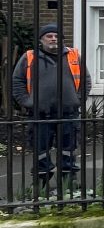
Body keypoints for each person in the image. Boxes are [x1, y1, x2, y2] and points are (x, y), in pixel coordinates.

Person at [10, 23, 90, 196]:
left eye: (56, 36)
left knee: (68, 149)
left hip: (68, 113)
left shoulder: (74, 55)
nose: (53, 39)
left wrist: (77, 101)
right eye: (49, 36)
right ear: (41, 39)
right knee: (41, 150)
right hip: (40, 114)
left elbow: (85, 80)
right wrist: (28, 102)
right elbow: (17, 82)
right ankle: (41, 184)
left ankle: (68, 183)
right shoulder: (29, 57)